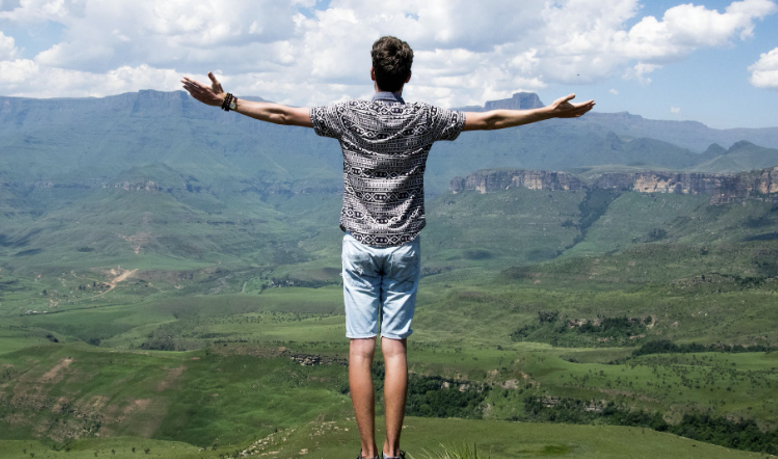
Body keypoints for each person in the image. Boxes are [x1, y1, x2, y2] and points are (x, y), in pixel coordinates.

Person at [182, 35, 594, 459]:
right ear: (408, 77)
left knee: (360, 349)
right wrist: (547, 112)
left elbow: (282, 113)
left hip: (358, 245)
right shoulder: (425, 117)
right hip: (404, 246)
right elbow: (489, 121)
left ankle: (366, 454)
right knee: (393, 347)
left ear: (373, 73)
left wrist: (228, 101)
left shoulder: (347, 114)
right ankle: (393, 452)